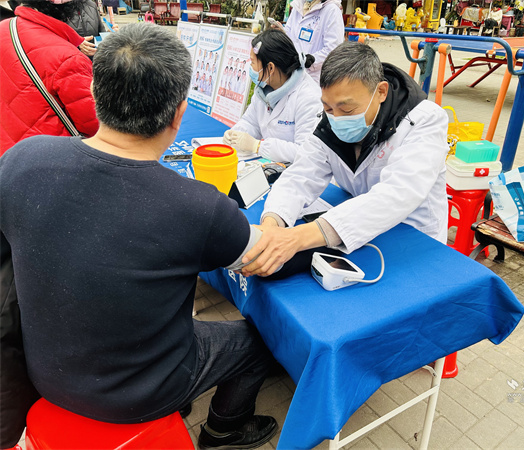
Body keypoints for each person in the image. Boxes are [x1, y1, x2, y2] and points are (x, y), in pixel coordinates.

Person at [0, 23, 277, 449]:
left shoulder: (21, 160)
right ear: (179, 113)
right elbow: (259, 255)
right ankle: (224, 429)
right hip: (140, 395)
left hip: (44, 372)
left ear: (95, 92)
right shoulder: (197, 205)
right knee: (256, 342)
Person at [239, 42, 449, 277]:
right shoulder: (330, 123)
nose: (337, 119)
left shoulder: (425, 121)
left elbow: (396, 194)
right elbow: (299, 176)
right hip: (361, 233)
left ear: (381, 92)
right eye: (328, 109)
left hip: (414, 240)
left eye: (346, 110)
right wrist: (272, 225)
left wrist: (296, 238)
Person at [0, 0, 99, 155]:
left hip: (9, 150)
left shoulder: (5, 27)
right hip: (51, 155)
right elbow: (95, 126)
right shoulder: (69, 59)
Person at [223, 29, 322, 163]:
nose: (250, 67)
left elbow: (305, 152)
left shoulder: (308, 97)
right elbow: (250, 122)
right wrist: (235, 135)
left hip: (297, 171)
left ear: (270, 68)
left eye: (253, 62)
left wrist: (258, 146)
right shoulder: (264, 90)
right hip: (271, 165)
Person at [275, 0, 344, 83]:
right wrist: (281, 33)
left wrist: (308, 60)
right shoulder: (298, 6)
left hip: (314, 77)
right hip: (292, 73)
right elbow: (290, 35)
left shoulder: (331, 10)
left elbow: (333, 49)